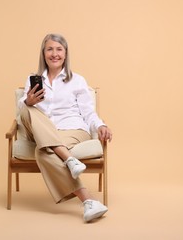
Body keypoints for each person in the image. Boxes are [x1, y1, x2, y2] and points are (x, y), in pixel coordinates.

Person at [18, 33, 113, 222]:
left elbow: (88, 112)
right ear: (43, 53)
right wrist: (28, 101)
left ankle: (88, 201)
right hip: (41, 129)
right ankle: (69, 159)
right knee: (25, 108)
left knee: (42, 153)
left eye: (59, 49)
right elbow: (23, 116)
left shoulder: (77, 80)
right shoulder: (33, 79)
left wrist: (100, 124)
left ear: (65, 53)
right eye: (50, 49)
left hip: (73, 130)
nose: (54, 54)